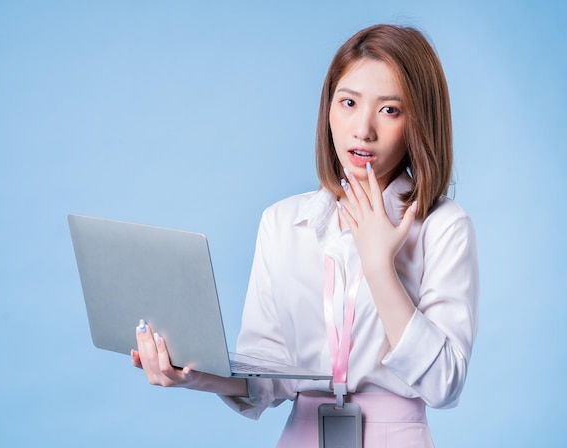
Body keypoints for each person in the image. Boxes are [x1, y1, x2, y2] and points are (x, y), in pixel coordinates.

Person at [132, 23, 479, 447]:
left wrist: (378, 265)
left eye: (390, 110)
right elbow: (269, 376)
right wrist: (192, 374)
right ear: (328, 108)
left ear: (419, 121)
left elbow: (445, 384)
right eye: (348, 102)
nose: (363, 129)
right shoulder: (282, 222)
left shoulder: (444, 226)